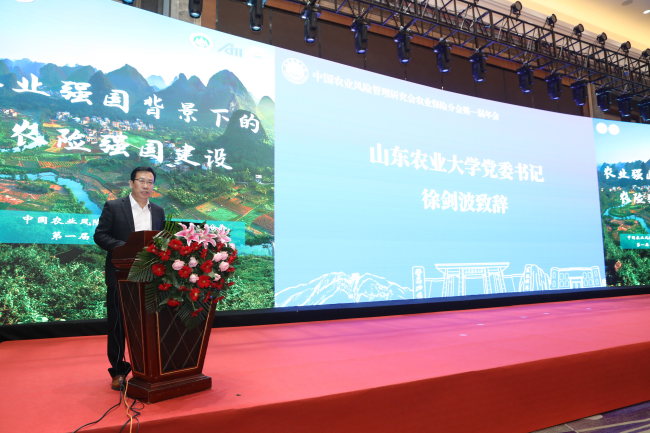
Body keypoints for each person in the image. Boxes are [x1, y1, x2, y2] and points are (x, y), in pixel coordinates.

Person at [94, 167, 165, 390]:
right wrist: (126, 247)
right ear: (131, 183)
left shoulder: (158, 211)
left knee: (148, 325)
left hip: (150, 278)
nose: (146, 186)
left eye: (150, 182)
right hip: (120, 276)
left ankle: (149, 368)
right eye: (141, 181)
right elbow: (100, 235)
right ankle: (118, 371)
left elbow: (162, 241)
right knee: (118, 325)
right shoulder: (114, 206)